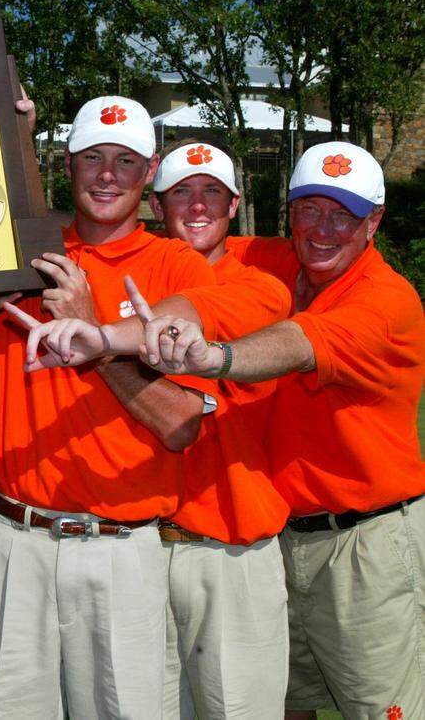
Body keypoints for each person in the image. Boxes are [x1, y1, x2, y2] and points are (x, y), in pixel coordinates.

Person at [117, 141, 425, 720]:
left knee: (383, 710)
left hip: (364, 547)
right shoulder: (273, 258)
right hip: (281, 537)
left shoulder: (386, 300)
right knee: (288, 705)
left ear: (374, 221)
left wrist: (216, 358)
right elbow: (183, 232)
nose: (324, 228)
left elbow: (299, 344)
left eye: (344, 214)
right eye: (310, 208)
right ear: (289, 213)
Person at [0, 96, 221, 719]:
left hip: (120, 549)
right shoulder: (16, 247)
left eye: (126, 161)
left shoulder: (178, 268)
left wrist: (96, 339)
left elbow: (183, 424)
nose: (108, 174)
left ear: (148, 172)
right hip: (14, 539)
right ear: (66, 163)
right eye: (92, 159)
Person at [147, 141, 292, 719]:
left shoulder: (259, 288)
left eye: (212, 192)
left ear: (235, 205)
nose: (197, 205)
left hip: (232, 551)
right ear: (157, 206)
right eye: (181, 192)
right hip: (139, 548)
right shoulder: (132, 278)